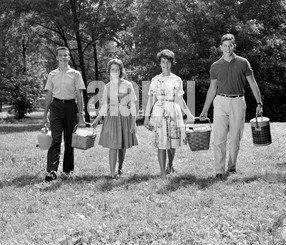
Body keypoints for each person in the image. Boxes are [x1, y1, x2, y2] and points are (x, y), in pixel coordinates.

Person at [199, 33, 263, 178]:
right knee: (219, 138)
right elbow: (212, 89)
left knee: (235, 138)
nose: (228, 48)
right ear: (221, 47)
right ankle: (219, 170)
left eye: (230, 45)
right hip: (221, 102)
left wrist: (259, 102)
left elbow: (253, 83)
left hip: (238, 102)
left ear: (234, 46)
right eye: (225, 46)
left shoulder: (243, 63)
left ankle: (232, 166)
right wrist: (205, 110)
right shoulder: (215, 66)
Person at [144, 49, 195, 178]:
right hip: (159, 111)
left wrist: (188, 114)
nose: (165, 64)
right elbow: (150, 99)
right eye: (163, 62)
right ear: (160, 63)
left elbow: (180, 99)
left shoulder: (177, 79)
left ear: (172, 63)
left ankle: (170, 165)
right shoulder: (155, 80)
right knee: (161, 143)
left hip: (174, 111)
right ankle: (162, 173)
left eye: (168, 62)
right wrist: (146, 117)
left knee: (172, 143)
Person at [42, 46, 86, 182]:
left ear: (68, 57)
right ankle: (51, 171)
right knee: (55, 139)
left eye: (65, 55)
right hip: (55, 107)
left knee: (69, 140)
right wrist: (45, 116)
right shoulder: (52, 74)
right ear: (57, 57)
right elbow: (48, 96)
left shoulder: (76, 74)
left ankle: (67, 170)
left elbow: (79, 95)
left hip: (71, 107)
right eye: (60, 55)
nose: (63, 57)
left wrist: (81, 113)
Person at [91, 59, 138, 179]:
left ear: (121, 71)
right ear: (109, 71)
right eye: (112, 69)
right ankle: (112, 173)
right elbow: (104, 106)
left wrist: (134, 122)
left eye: (117, 69)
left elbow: (132, 104)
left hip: (125, 117)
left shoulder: (128, 85)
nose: (115, 72)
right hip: (112, 118)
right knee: (113, 146)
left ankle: (120, 168)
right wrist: (96, 120)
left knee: (122, 146)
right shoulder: (107, 87)